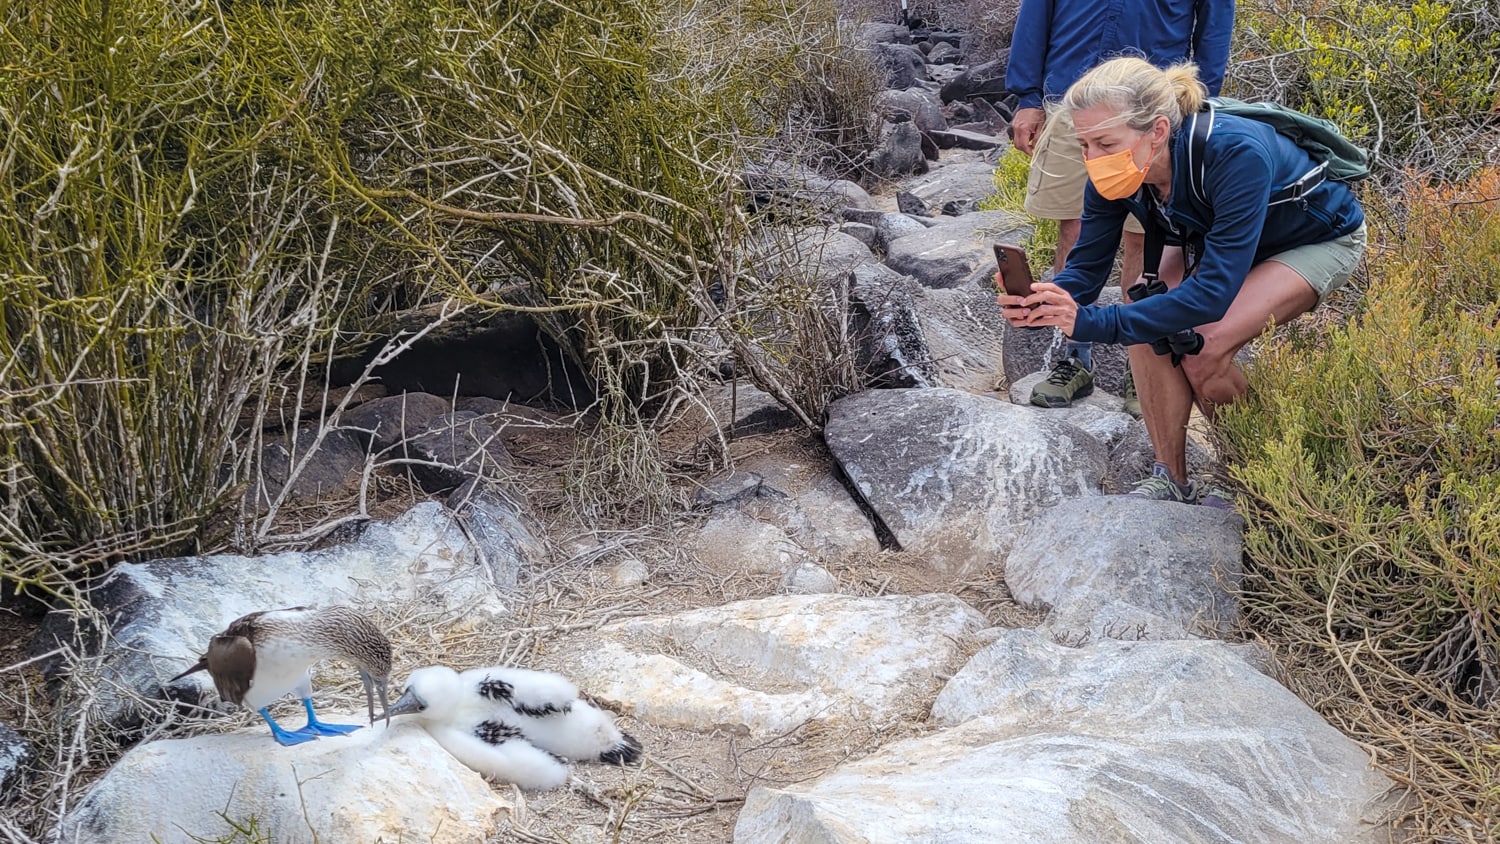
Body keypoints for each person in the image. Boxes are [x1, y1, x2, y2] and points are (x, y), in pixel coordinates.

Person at [998, 57, 1367, 507]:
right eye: (1084, 144)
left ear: (1156, 131)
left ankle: (1257, 476)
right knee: (1144, 315)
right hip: (1221, 238)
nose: (1092, 159)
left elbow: (1212, 295)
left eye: (1104, 143)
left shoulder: (1234, 152)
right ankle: (1171, 477)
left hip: (1313, 239)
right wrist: (1048, 300)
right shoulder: (1114, 173)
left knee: (1203, 346)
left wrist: (1096, 323)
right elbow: (1088, 267)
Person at [1005, 0, 1235, 412]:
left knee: (1144, 241)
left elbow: (1214, 28)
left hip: (1148, 113)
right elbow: (1038, 9)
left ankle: (1142, 362)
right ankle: (1074, 357)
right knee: (1075, 232)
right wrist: (1027, 95)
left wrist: (1203, 104)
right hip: (1072, 104)